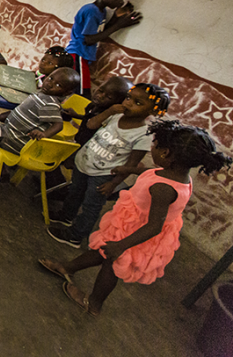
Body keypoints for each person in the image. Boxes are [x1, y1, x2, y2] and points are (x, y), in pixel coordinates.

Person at [39, 119, 232, 316]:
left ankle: (94, 303)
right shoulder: (177, 174)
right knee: (103, 250)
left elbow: (154, 226)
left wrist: (122, 245)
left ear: (165, 153)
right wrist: (130, 169)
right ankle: (67, 267)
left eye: (155, 146)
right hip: (132, 224)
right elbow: (154, 173)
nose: (152, 148)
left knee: (112, 265)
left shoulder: (163, 189)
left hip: (138, 234)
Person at [47, 83, 169, 248]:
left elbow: (131, 164)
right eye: (128, 98)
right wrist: (110, 111)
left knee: (91, 205)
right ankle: (66, 216)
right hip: (85, 162)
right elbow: (91, 125)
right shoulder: (115, 115)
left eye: (138, 103)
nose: (128, 103)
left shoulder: (143, 135)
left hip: (103, 175)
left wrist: (113, 184)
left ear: (153, 111)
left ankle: (75, 235)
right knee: (74, 191)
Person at [0, 67, 80, 182]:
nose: (49, 84)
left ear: (67, 92)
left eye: (58, 85)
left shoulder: (49, 102)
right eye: (50, 78)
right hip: (12, 132)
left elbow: (58, 125)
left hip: (16, 139)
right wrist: (11, 115)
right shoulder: (45, 95)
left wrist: (44, 134)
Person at [66, 0, 141, 98]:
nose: (121, 2)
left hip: (81, 55)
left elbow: (101, 32)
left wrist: (116, 18)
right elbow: (89, 39)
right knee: (81, 93)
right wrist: (119, 25)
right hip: (78, 54)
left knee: (76, 91)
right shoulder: (91, 11)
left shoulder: (101, 11)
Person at [63, 76, 132, 147]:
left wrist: (110, 111)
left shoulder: (109, 117)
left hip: (89, 148)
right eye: (101, 90)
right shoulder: (93, 105)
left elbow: (92, 124)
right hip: (78, 141)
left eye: (109, 97)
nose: (100, 96)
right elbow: (89, 118)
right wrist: (76, 115)